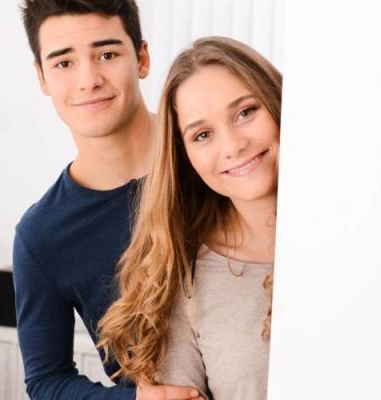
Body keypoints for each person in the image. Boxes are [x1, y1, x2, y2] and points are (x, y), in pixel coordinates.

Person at [14, 1, 202, 399]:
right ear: (42, 77)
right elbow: (46, 381)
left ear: (142, 58)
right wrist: (140, 399)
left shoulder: (211, 158)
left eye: (107, 54)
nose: (88, 80)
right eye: (64, 63)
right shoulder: (42, 234)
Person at [97, 36, 282, 400]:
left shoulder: (369, 232)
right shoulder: (186, 277)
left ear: (277, 102)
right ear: (187, 158)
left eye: (246, 112)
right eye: (203, 135)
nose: (232, 146)